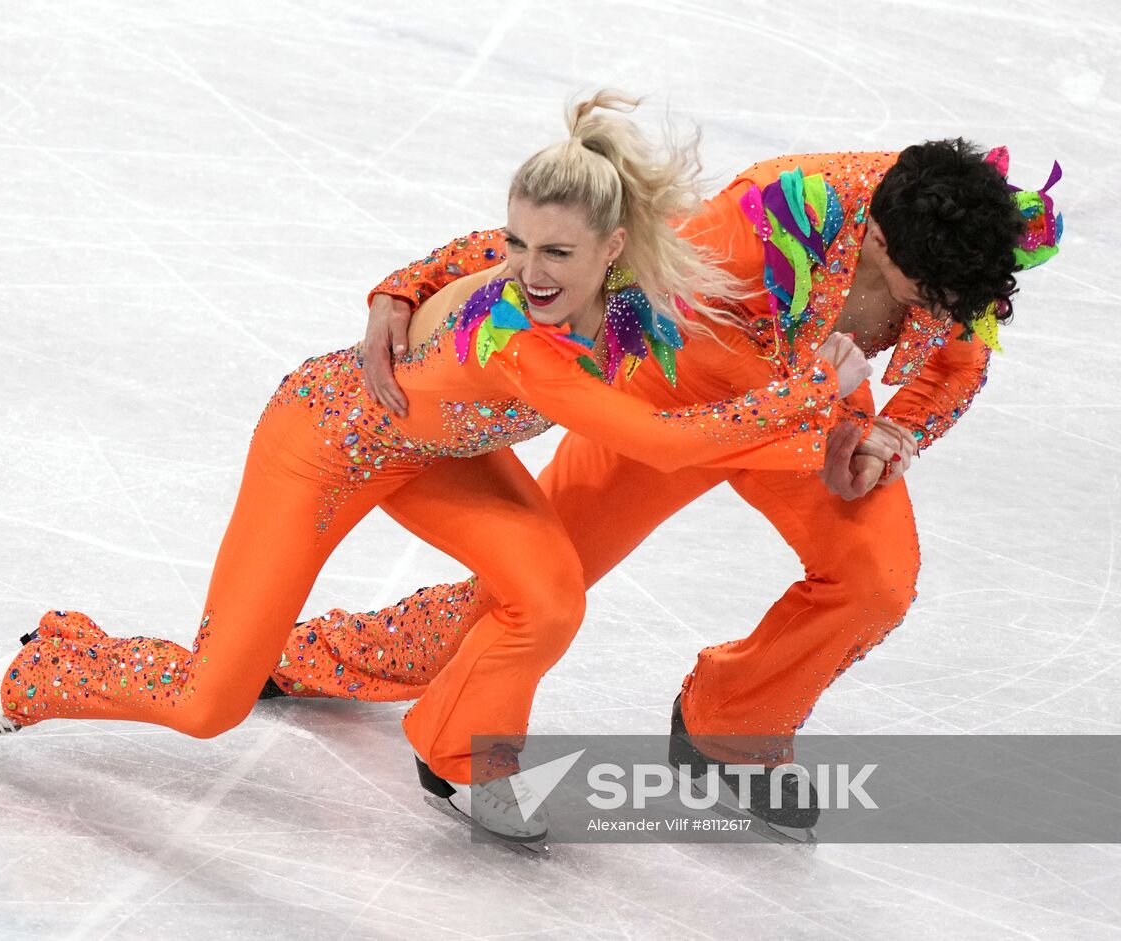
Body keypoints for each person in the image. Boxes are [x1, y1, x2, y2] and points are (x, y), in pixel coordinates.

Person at [0, 91, 868, 849]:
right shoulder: (517, 342)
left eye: (555, 251)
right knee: (209, 701)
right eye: (517, 244)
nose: (527, 271)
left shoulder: (630, 295)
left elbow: (476, 258)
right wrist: (812, 398)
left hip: (443, 452)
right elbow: (659, 443)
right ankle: (53, 664)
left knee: (546, 596)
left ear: (614, 249)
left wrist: (399, 286)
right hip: (328, 442)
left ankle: (459, 754)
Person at [262, 140, 1063, 839]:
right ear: (883, 241)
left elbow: (960, 358)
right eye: (930, 298)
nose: (947, 314)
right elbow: (583, 258)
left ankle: (731, 727)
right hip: (672, 397)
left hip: (812, 413)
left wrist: (897, 432)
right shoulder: (764, 214)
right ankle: (305, 657)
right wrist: (411, 285)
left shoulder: (964, 246)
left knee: (875, 578)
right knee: (529, 593)